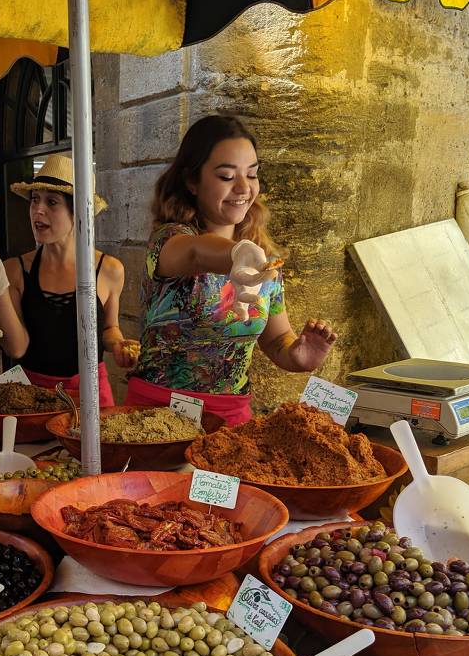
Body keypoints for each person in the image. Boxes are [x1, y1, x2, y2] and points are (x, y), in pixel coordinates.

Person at [125, 116, 338, 425]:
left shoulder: (265, 261)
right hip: (157, 418)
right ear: (192, 181)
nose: (243, 188)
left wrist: (299, 356)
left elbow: (277, 341)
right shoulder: (170, 241)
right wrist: (239, 252)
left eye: (251, 175)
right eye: (226, 176)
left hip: (229, 420)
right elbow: (196, 253)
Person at [0, 155, 137, 406]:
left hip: (92, 396)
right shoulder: (14, 269)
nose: (38, 210)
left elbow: (109, 328)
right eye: (35, 200)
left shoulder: (109, 269)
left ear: (78, 212)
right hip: (32, 399)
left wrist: (119, 345)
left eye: (52, 202)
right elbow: (16, 349)